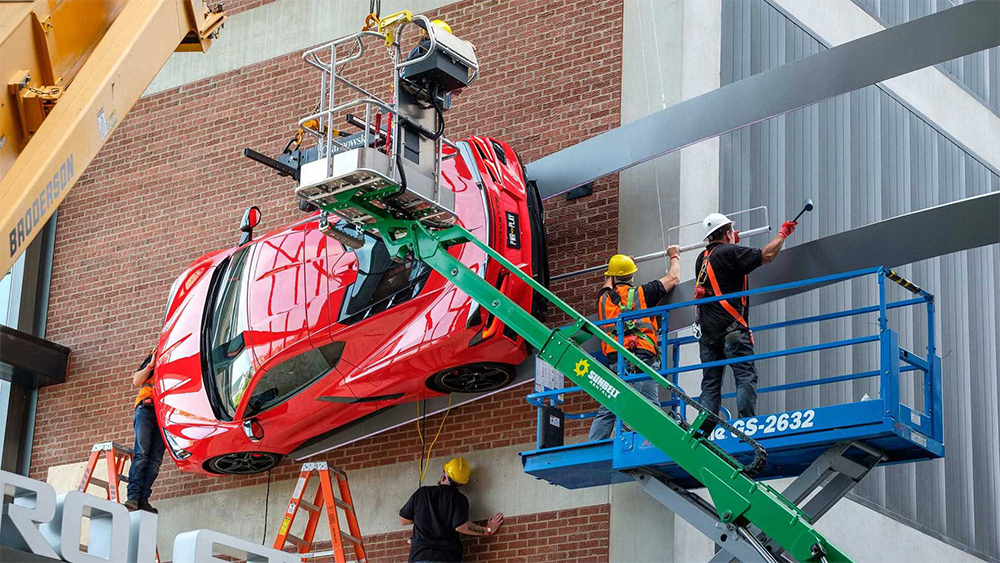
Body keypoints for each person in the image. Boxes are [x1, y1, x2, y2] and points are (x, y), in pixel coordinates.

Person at [694, 213, 796, 419]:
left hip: (708, 334)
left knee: (710, 384)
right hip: (731, 329)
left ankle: (703, 431)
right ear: (727, 232)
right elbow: (767, 255)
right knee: (745, 376)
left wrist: (733, 246)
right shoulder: (730, 252)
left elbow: (723, 271)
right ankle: (747, 424)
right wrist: (783, 233)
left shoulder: (701, 259)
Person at [589, 246, 681, 441]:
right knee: (648, 400)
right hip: (641, 355)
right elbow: (673, 278)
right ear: (631, 277)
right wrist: (674, 255)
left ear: (612, 277)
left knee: (610, 400)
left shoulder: (603, 298)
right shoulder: (643, 292)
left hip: (616, 358)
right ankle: (653, 441)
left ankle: (595, 443)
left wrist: (621, 266)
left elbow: (608, 284)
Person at [399, 457, 503, 563]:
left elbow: (404, 520)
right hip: (446, 558)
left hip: (419, 557)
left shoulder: (422, 493)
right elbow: (461, 526)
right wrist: (487, 530)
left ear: (444, 476)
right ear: (461, 483)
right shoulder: (459, 499)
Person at [124, 347, 165, 513]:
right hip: (147, 409)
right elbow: (136, 380)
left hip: (164, 413)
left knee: (155, 460)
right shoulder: (157, 352)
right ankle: (133, 497)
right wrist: (151, 364)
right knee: (142, 454)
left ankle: (143, 499)